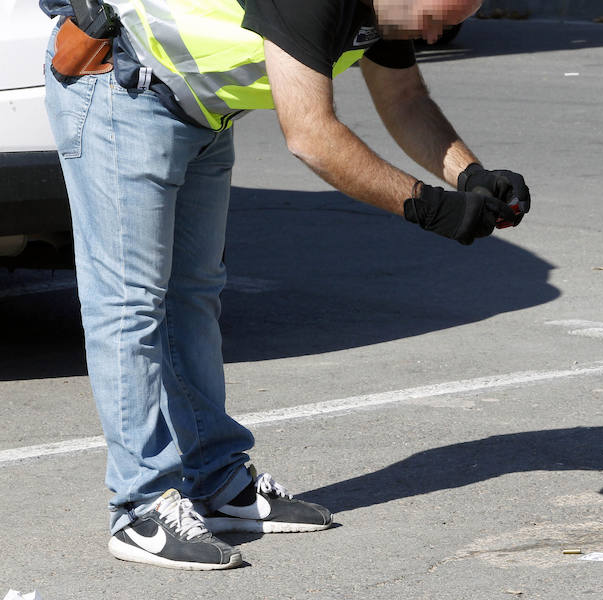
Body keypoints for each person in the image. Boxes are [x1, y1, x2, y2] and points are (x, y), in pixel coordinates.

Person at [41, 0, 531, 570]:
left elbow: (406, 99)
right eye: (447, 10)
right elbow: (311, 136)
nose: (450, 27)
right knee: (129, 306)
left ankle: (218, 484)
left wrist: (471, 176)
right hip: (118, 91)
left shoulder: (389, 11)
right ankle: (139, 506)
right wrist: (427, 207)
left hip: (198, 109)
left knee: (193, 297)